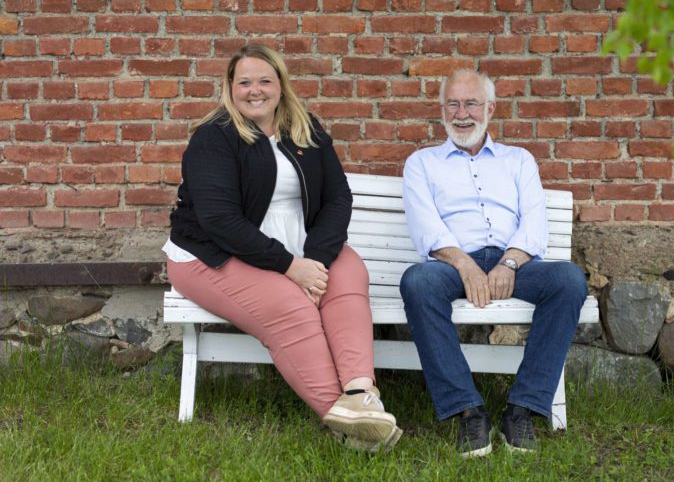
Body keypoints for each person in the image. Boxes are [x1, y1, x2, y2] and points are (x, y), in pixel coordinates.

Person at [163, 43, 401, 452]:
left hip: (300, 247)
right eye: (244, 82)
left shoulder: (305, 128)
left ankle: (361, 395)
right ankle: (348, 423)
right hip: (212, 255)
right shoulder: (213, 138)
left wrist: (317, 262)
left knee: (348, 273)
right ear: (230, 87)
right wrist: (292, 268)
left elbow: (338, 198)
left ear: (280, 85)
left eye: (264, 81)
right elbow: (220, 221)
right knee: (290, 307)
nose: (254, 90)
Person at [400, 69, 587, 458]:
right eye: (453, 104)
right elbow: (425, 227)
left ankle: (522, 409)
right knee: (417, 282)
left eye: (471, 103)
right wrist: (465, 266)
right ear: (442, 109)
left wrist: (510, 263)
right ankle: (469, 410)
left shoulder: (518, 161)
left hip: (512, 263)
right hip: (452, 265)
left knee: (569, 280)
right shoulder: (422, 163)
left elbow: (534, 222)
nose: (461, 113)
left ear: (490, 109)